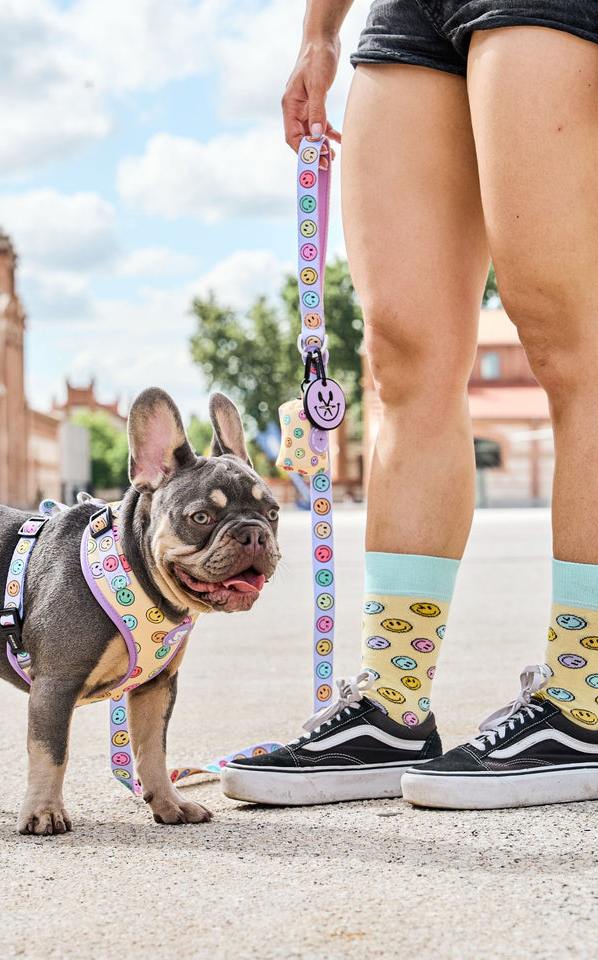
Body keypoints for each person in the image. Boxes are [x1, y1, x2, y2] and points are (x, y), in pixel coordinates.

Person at [221, 0, 598, 810]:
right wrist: (319, 31)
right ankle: (393, 706)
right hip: (409, 16)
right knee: (400, 358)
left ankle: (587, 696)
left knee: (572, 344)